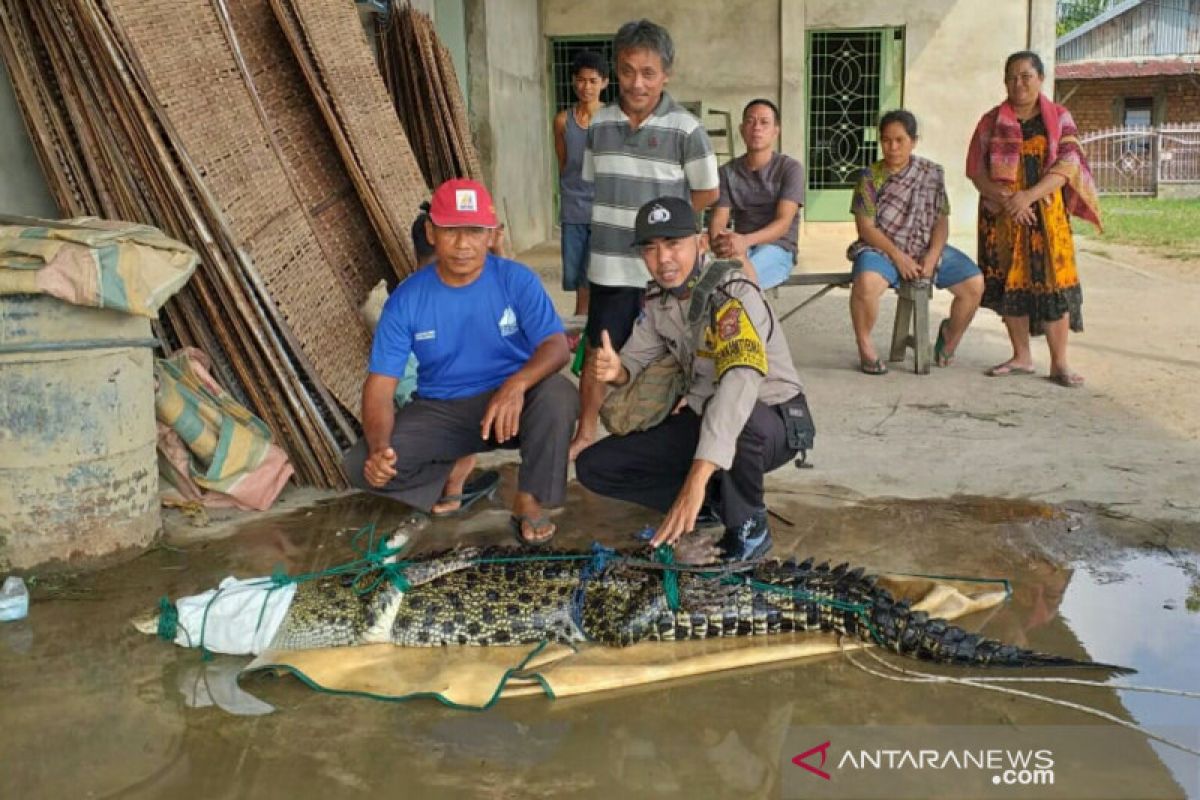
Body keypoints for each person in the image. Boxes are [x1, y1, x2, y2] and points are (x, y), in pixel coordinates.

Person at [343, 178, 578, 545]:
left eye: (474, 231)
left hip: (514, 405)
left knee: (558, 395)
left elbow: (556, 346)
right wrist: (378, 449)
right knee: (360, 466)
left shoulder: (516, 280)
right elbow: (380, 387)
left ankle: (530, 499)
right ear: (431, 233)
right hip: (444, 410)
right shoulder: (407, 298)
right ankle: (449, 472)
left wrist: (516, 384)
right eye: (451, 231)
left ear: (491, 234)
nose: (463, 244)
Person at [576, 196, 809, 561]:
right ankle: (713, 504)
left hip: (771, 419)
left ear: (700, 243)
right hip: (708, 417)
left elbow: (739, 383)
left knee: (736, 414)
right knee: (595, 466)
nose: (663, 259)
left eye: (674, 244)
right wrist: (615, 370)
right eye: (651, 249)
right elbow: (634, 360)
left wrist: (696, 478)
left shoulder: (732, 294)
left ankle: (749, 527)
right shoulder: (660, 302)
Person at [570, 18, 720, 460]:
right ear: (616, 70)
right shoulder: (599, 126)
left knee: (676, 352)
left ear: (666, 74)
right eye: (628, 70)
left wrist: (668, 239)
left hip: (667, 269)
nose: (638, 83)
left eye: (649, 73)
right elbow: (597, 181)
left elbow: (707, 191)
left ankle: (674, 437)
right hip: (611, 264)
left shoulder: (686, 130)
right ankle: (586, 433)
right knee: (601, 350)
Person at [967, 50, 1101, 387]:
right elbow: (976, 170)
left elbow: (1068, 165)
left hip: (1047, 217)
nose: (1018, 83)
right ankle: (1021, 356)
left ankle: (1059, 364)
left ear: (1040, 79)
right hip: (1003, 217)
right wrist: (1008, 199)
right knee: (1013, 281)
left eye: (1026, 75)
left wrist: (1028, 195)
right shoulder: (990, 121)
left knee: (1053, 284)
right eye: (1012, 76)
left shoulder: (1059, 117)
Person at [847, 109, 984, 375]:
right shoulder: (869, 177)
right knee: (865, 284)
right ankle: (865, 346)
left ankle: (949, 337)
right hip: (881, 248)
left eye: (899, 140)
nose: (892, 147)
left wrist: (932, 256)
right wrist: (898, 256)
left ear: (914, 141)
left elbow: (941, 219)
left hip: (924, 246)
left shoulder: (931, 174)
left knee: (974, 285)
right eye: (886, 140)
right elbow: (866, 227)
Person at [707, 99, 805, 290]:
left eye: (764, 122)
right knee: (728, 278)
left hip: (778, 248)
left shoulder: (790, 169)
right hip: (739, 248)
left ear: (776, 131)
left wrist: (744, 242)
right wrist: (721, 242)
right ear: (742, 129)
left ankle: (760, 319)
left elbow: (783, 223)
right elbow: (719, 219)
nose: (757, 128)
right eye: (751, 122)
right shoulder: (727, 172)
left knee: (733, 282)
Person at [554, 50, 609, 317]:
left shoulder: (614, 122)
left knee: (598, 273)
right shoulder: (563, 121)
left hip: (604, 209)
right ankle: (581, 326)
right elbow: (564, 165)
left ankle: (593, 325)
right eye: (581, 80)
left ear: (605, 83)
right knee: (578, 278)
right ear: (574, 81)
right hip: (574, 208)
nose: (586, 87)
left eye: (593, 81)